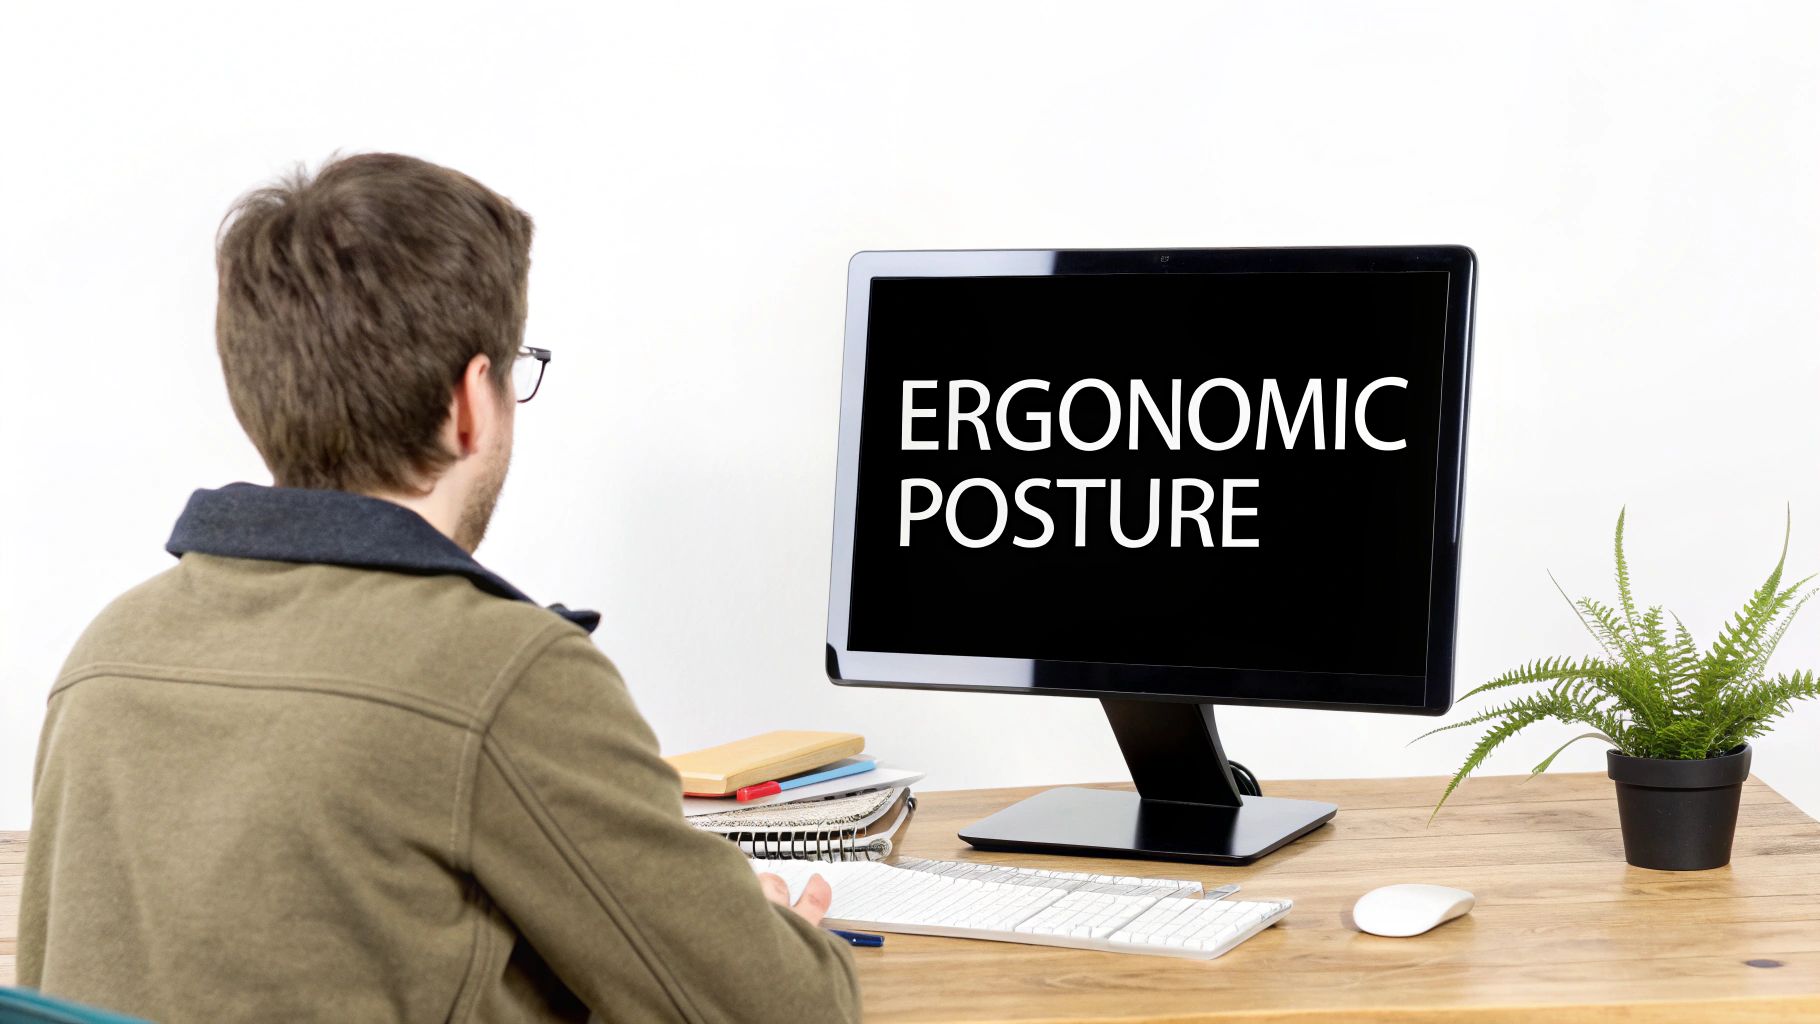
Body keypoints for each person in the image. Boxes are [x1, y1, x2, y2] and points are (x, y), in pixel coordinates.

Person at [16, 153, 861, 1023]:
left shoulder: (108, 653)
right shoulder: (503, 670)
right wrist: (767, 939)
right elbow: (783, 1011)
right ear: (471, 403)